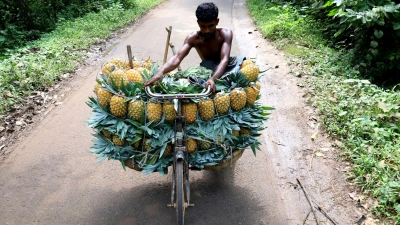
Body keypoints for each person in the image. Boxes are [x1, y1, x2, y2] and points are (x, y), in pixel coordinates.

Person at [144, 2, 240, 93]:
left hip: (226, 68)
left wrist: (213, 79)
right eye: (203, 26)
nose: (207, 30)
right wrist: (161, 71)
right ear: (198, 23)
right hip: (207, 71)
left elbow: (224, 60)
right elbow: (177, 58)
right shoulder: (193, 38)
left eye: (211, 26)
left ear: (217, 21)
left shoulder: (225, 34)